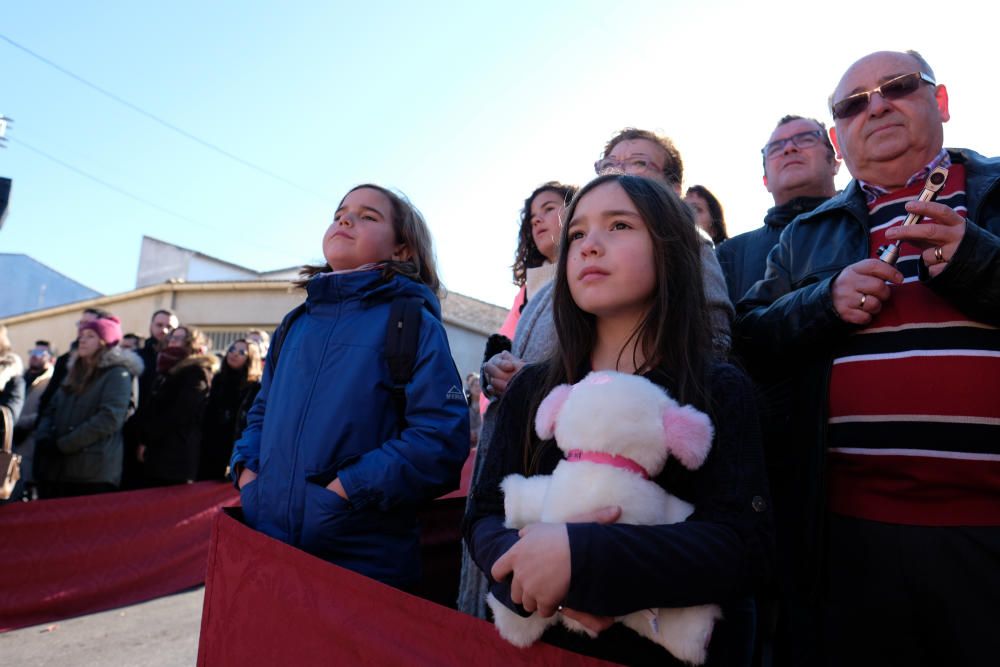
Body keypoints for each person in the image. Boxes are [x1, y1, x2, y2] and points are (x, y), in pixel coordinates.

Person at [734, 50, 1000, 666]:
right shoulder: (806, 234)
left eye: (897, 87)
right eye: (853, 103)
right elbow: (749, 341)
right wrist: (822, 302)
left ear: (941, 101)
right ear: (839, 137)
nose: (875, 104)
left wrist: (976, 263)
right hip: (846, 540)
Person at [465, 174, 773, 666]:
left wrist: (585, 559)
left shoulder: (717, 389)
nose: (590, 246)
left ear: (670, 249)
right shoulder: (530, 389)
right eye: (578, 234)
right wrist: (530, 570)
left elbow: (741, 544)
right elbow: (483, 514)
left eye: (620, 225)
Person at [230, 184, 469, 590]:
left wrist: (345, 491)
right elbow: (261, 413)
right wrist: (248, 477)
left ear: (402, 250)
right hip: (268, 551)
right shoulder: (295, 323)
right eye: (341, 211)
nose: (345, 219)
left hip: (363, 566)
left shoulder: (411, 322)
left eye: (368, 215)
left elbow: (439, 439)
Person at [459, 181, 578, 617]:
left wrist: (536, 381)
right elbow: (505, 364)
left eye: (551, 208)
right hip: (507, 455)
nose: (540, 221)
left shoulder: (596, 283)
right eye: (533, 217)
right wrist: (496, 374)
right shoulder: (525, 294)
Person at [595, 127, 734, 354]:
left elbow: (714, 340)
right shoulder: (579, 244)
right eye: (608, 163)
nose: (618, 171)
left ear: (673, 189)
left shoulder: (690, 243)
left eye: (638, 163)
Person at [717, 115, 840, 305]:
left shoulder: (866, 225)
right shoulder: (731, 256)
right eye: (775, 148)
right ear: (765, 181)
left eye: (806, 138)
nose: (789, 148)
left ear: (834, 162)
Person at [34, 316, 143, 497]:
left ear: (104, 342)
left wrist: (65, 444)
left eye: (90, 336)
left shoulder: (117, 374)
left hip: (92, 471)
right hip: (58, 469)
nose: (82, 339)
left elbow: (109, 418)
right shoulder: (74, 371)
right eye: (82, 335)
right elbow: (51, 409)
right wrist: (45, 436)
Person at [139, 325, 218, 486]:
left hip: (176, 453)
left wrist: (150, 437)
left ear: (192, 343)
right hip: (158, 449)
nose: (174, 341)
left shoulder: (196, 371)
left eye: (180, 338)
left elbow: (181, 412)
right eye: (173, 337)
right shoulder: (166, 368)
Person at [198, 338, 262, 480]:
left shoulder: (255, 387)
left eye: (241, 352)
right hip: (209, 446)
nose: (234, 354)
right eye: (232, 349)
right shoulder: (217, 379)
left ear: (250, 358)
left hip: (234, 450)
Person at [7, 341, 55, 502]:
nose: (35, 356)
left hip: (30, 443)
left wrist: (19, 423)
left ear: (51, 358)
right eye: (32, 352)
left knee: (26, 488)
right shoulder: (20, 379)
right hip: (10, 439)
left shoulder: (50, 381)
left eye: (41, 353)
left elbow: (46, 412)